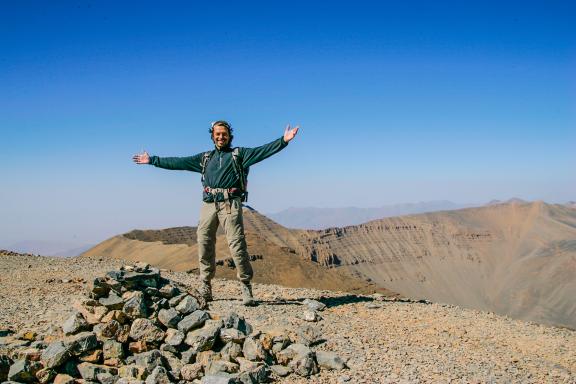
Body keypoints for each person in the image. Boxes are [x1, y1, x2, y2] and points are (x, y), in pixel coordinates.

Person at [133, 121, 299, 305]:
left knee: (237, 245)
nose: (221, 137)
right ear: (212, 136)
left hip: (230, 204)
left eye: (224, 134)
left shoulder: (239, 155)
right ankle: (206, 285)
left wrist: (283, 140)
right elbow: (178, 162)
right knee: (204, 242)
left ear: (230, 136)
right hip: (209, 204)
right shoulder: (204, 158)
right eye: (217, 134)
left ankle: (245, 285)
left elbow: (263, 151)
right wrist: (153, 160)